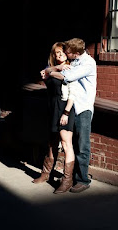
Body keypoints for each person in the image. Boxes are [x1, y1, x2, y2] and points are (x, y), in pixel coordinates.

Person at [42, 38, 97, 193]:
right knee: (71, 143)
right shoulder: (74, 62)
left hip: (83, 108)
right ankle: (70, 177)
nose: (65, 54)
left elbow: (68, 76)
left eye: (68, 52)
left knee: (82, 144)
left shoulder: (88, 63)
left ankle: (83, 180)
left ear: (75, 53)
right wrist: (53, 68)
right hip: (72, 108)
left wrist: (49, 72)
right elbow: (61, 67)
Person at [33, 42, 78, 194]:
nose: (59, 55)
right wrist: (54, 69)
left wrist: (66, 113)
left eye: (62, 53)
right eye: (56, 53)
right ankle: (45, 174)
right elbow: (43, 73)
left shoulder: (71, 68)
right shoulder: (52, 68)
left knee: (66, 144)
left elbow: (73, 94)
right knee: (51, 142)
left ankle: (67, 180)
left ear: (67, 53)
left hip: (65, 107)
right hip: (52, 108)